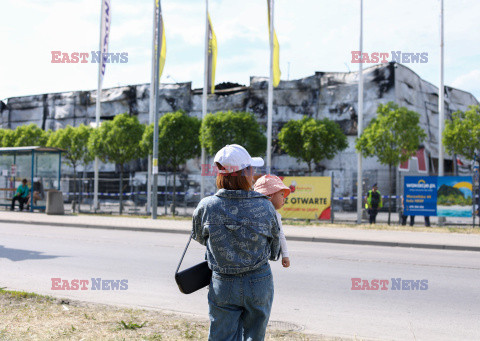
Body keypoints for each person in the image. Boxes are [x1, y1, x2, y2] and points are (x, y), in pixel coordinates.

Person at [192, 144, 280, 341]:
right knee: (255, 336)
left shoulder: (207, 206)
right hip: (259, 281)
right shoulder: (265, 206)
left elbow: (199, 237)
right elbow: (275, 251)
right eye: (252, 168)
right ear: (245, 173)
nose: (254, 173)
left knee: (221, 336)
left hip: (223, 283)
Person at [254, 174, 291, 268]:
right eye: (282, 194)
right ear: (270, 195)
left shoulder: (251, 209)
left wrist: (285, 255)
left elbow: (280, 234)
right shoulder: (273, 214)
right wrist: (285, 255)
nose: (284, 198)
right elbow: (280, 235)